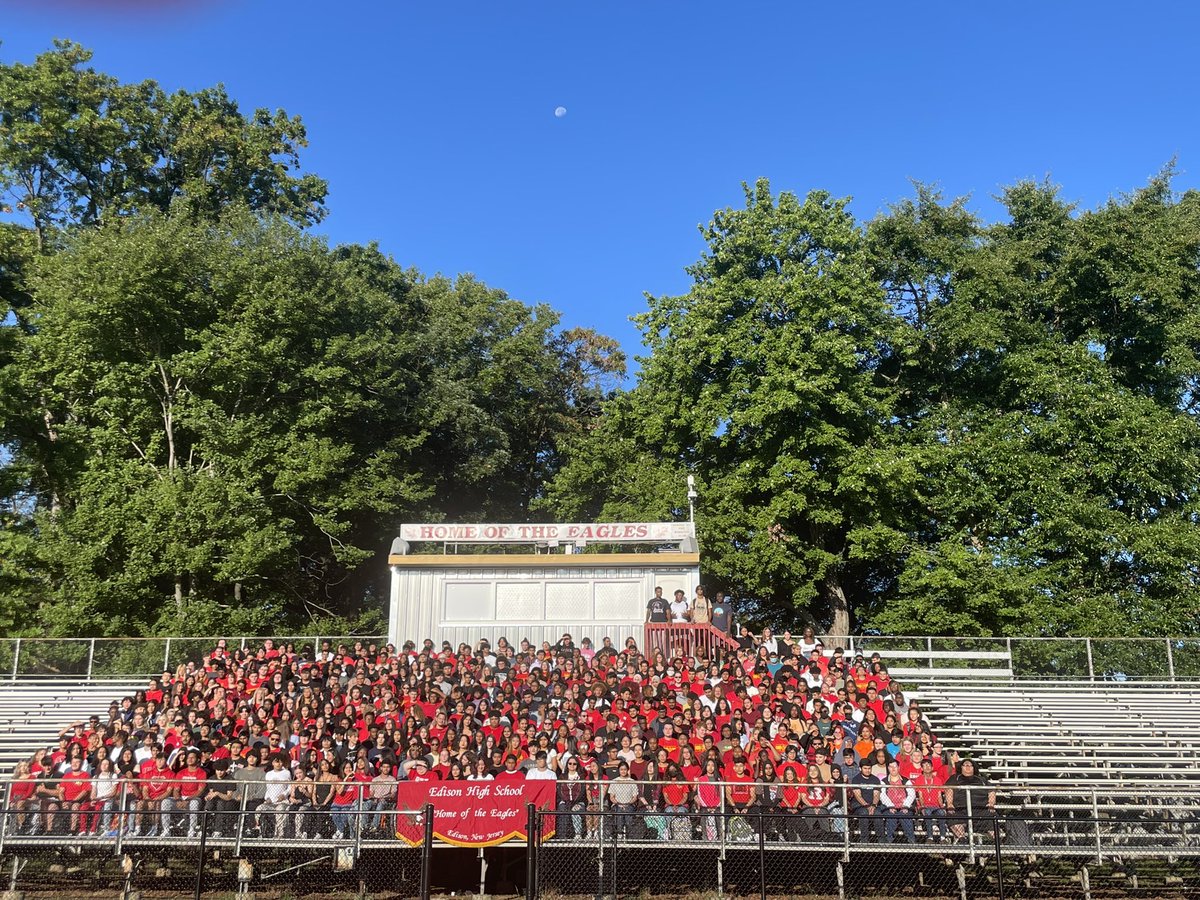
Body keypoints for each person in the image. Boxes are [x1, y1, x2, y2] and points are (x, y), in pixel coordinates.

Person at [945, 758, 996, 842]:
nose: (967, 767)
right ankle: (962, 840)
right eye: (965, 765)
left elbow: (992, 790)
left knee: (992, 816)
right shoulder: (955, 778)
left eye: (970, 765)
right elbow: (949, 789)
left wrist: (991, 803)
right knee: (952, 815)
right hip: (960, 809)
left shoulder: (981, 780)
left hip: (980, 809)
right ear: (961, 767)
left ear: (974, 767)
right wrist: (950, 803)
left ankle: (997, 842)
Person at [879, 760, 916, 843]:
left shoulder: (906, 781)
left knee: (905, 815)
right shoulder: (884, 781)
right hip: (889, 807)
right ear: (888, 768)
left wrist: (905, 806)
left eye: (895, 766)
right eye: (890, 767)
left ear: (898, 768)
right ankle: (890, 841)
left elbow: (911, 794)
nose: (893, 769)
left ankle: (911, 841)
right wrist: (890, 806)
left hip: (904, 806)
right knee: (891, 816)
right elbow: (882, 795)